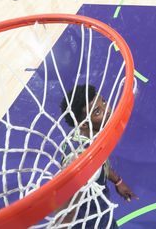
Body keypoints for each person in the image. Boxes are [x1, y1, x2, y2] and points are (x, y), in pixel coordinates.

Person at [57, 84, 137, 227]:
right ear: (84, 124)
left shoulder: (83, 136)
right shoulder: (81, 161)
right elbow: (66, 209)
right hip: (94, 222)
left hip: (101, 208)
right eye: (97, 112)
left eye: (104, 101)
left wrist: (117, 181)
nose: (108, 110)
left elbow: (100, 162)